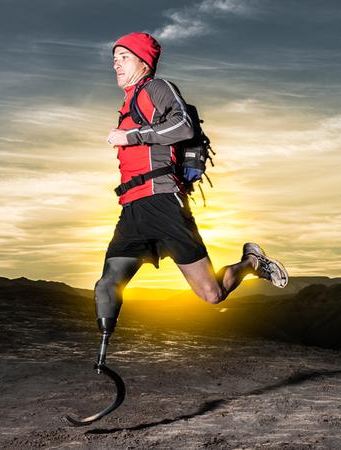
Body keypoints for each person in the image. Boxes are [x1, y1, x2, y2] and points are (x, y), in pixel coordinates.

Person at [94, 32, 288, 334]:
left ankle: (251, 262)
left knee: (211, 294)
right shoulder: (128, 102)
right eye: (114, 58)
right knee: (107, 285)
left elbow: (184, 125)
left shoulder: (155, 88)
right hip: (132, 210)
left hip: (163, 203)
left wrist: (130, 136)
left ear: (144, 62)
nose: (116, 64)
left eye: (124, 57)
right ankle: (102, 362)